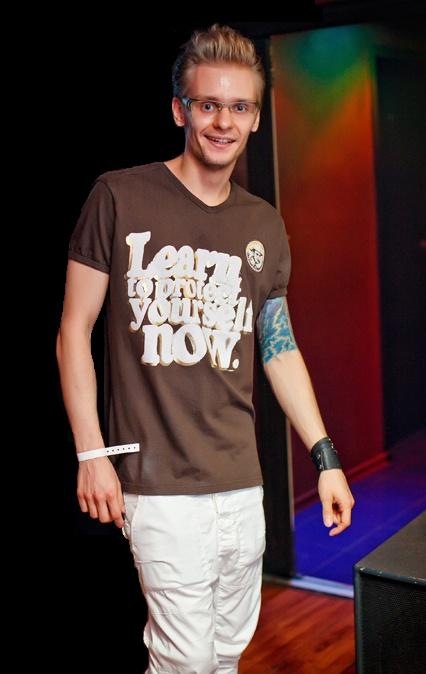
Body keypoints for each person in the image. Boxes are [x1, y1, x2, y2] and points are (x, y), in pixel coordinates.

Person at [57, 23, 355, 674]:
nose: (224, 122)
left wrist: (325, 457)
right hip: (159, 487)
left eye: (240, 107)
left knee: (224, 655)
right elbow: (73, 330)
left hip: (242, 483)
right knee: (184, 661)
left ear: (256, 118)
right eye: (209, 104)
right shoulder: (119, 196)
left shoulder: (262, 223)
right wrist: (90, 454)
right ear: (179, 110)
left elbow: (278, 347)